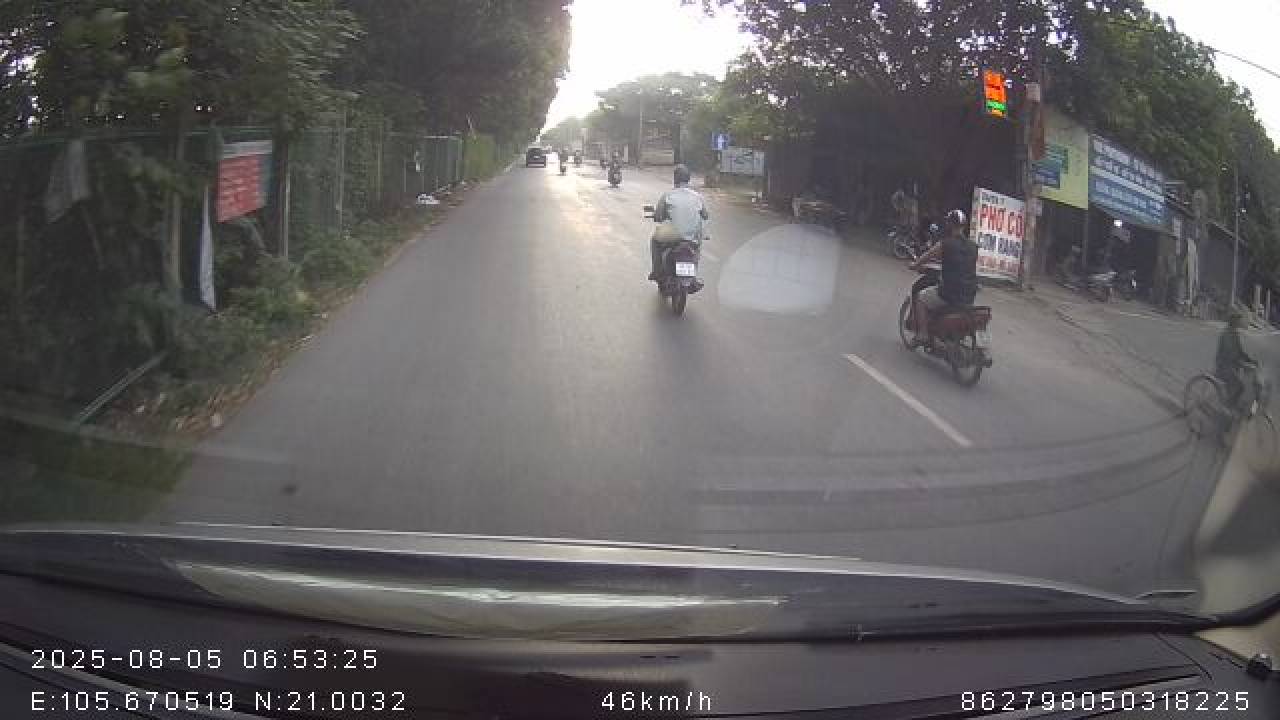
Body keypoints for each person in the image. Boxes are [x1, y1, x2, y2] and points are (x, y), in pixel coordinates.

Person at [908, 209, 979, 343]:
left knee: (921, 298)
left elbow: (928, 256)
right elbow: (963, 266)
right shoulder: (973, 247)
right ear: (964, 226)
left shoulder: (945, 243)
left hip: (949, 293)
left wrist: (915, 265)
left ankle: (923, 334)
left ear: (950, 224)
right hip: (969, 295)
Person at [649, 164, 708, 284]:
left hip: (673, 235)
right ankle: (693, 277)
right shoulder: (698, 197)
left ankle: (656, 271)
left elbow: (659, 216)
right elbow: (705, 215)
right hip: (692, 236)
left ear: (675, 178)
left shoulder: (668, 195)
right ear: (688, 179)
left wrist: (657, 216)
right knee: (697, 248)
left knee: (654, 240)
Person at [1216, 310, 1256, 413]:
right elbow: (1229, 354)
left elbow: (1240, 351)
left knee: (1238, 385)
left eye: (1239, 320)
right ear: (1232, 321)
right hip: (1223, 366)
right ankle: (1227, 406)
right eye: (1237, 320)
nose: (1239, 322)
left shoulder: (1234, 333)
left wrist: (1250, 360)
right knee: (1239, 386)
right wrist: (1241, 363)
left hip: (1231, 366)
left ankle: (1231, 405)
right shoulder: (1226, 334)